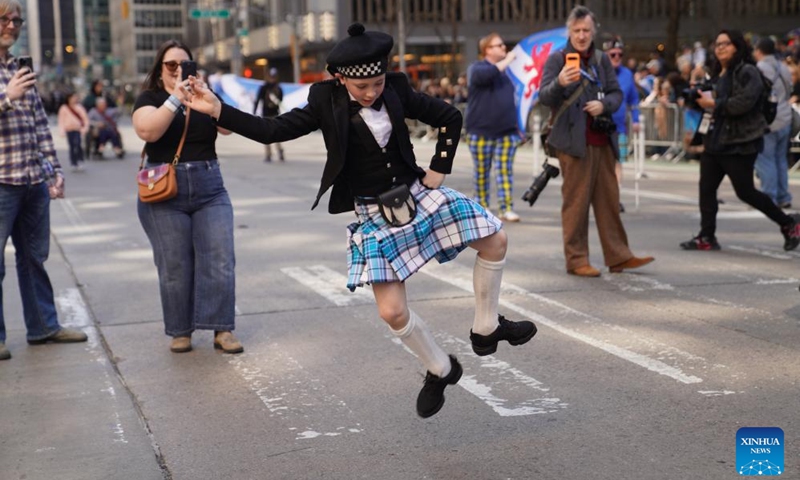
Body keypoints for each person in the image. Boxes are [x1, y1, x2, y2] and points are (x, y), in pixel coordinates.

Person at [184, 23, 536, 418]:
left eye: (377, 83)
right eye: (362, 87)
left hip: (417, 194)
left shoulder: (398, 88)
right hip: (373, 211)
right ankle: (440, 369)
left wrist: (439, 168)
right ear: (341, 78)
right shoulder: (324, 100)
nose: (371, 92)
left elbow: (450, 117)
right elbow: (272, 130)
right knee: (391, 312)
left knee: (495, 239)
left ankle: (486, 327)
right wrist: (217, 109)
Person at [132, 40, 243, 355]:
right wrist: (176, 98)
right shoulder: (150, 98)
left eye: (186, 65)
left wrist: (207, 97)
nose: (179, 71)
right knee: (175, 264)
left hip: (209, 185)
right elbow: (148, 131)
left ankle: (222, 329)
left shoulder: (202, 98)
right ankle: (181, 331)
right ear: (160, 70)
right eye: (171, 66)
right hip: (164, 189)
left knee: (221, 258)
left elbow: (227, 129)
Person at [539, 6, 654, 278]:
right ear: (570, 32)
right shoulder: (557, 59)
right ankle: (577, 259)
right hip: (573, 142)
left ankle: (619, 256)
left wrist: (603, 105)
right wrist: (559, 82)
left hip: (602, 138)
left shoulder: (601, 59)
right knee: (576, 203)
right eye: (577, 30)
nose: (581, 35)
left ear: (593, 31)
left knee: (609, 201)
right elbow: (544, 97)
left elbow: (616, 94)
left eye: (586, 30)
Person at [0, 0, 87, 361]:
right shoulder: (13, 83)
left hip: (33, 181)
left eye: (16, 20)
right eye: (5, 18)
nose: (12, 25)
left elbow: (40, 127)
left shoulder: (21, 69)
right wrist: (7, 98)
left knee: (35, 258)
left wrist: (55, 171)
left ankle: (43, 327)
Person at [679, 30, 800, 252]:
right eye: (717, 44)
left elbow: (744, 103)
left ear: (737, 46)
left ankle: (788, 223)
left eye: (726, 43)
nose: (720, 48)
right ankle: (707, 236)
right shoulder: (718, 74)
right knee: (706, 188)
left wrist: (714, 104)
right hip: (716, 139)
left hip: (740, 141)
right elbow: (712, 103)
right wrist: (694, 100)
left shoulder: (748, 72)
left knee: (745, 191)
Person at [464, 32, 523, 223]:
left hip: (506, 132)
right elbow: (487, 75)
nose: (504, 48)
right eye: (499, 45)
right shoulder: (477, 68)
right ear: (487, 49)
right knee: (482, 171)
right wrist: (508, 61)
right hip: (481, 131)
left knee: (505, 171)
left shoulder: (506, 75)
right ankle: (481, 207)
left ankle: (506, 208)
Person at [753, 37, 794, 209]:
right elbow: (789, 89)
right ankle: (783, 195)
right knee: (780, 159)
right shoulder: (783, 67)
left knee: (765, 159)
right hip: (785, 116)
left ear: (759, 50)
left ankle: (769, 196)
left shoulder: (760, 68)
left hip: (768, 119)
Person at [602, 37, 640, 213]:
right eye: (613, 55)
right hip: (600, 126)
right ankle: (603, 198)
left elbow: (633, 99)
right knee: (601, 164)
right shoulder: (599, 73)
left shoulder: (627, 74)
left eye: (620, 55)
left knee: (618, 162)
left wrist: (637, 119)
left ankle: (615, 198)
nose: (617, 57)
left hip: (619, 127)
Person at [253, 67, 285, 162]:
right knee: (275, 134)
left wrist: (254, 111)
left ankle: (268, 155)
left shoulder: (264, 87)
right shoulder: (278, 87)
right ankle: (279, 151)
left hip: (266, 114)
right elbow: (281, 100)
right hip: (275, 114)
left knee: (266, 134)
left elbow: (258, 99)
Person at [57, 91, 90, 172]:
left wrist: (85, 128)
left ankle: (80, 160)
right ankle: (73, 162)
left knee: (78, 144)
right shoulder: (64, 108)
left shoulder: (79, 108)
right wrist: (62, 131)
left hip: (78, 129)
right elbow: (61, 120)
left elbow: (85, 119)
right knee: (72, 146)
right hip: (69, 130)